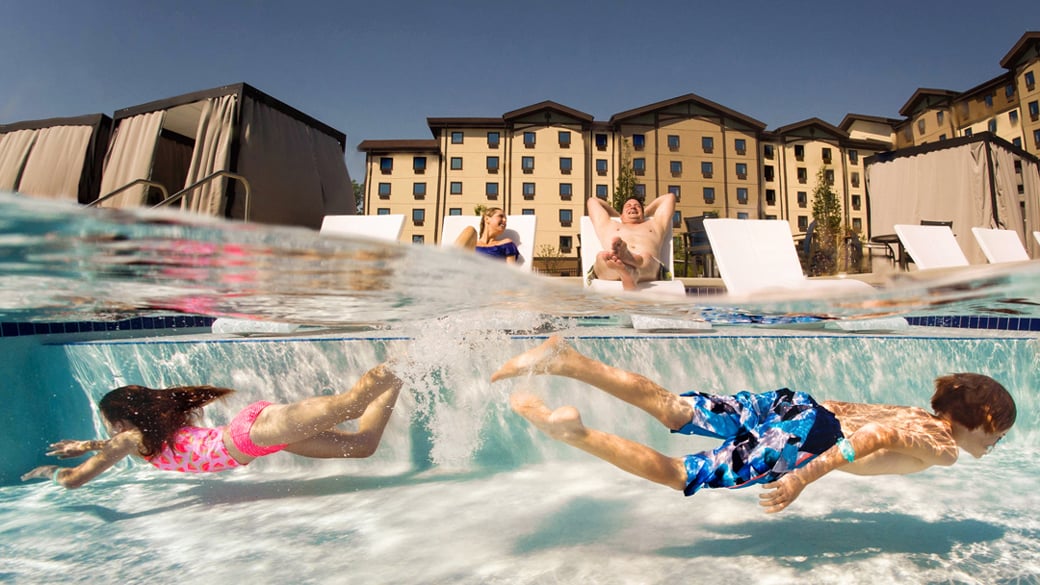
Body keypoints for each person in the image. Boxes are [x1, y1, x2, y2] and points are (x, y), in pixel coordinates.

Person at [491, 336, 1016, 513]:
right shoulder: (940, 444)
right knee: (680, 473)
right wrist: (801, 477)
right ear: (984, 419)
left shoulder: (914, 412)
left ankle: (567, 360)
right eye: (999, 433)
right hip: (809, 437)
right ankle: (574, 434)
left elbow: (855, 414)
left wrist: (794, 428)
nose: (995, 443)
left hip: (795, 405)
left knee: (674, 408)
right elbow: (870, 438)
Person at [21, 363, 403, 489]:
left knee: (351, 404)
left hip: (254, 433)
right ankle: (403, 374)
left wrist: (55, 473)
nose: (110, 431)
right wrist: (89, 444)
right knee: (364, 443)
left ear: (124, 421)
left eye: (111, 424)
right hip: (262, 442)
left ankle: (409, 354)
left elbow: (77, 479)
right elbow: (113, 445)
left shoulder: (132, 440)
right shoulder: (146, 437)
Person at [587, 193, 675, 290]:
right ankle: (629, 271)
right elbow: (593, 201)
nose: (633, 207)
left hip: (648, 268)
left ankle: (630, 261)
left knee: (646, 257)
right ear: (621, 214)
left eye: (637, 206)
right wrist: (617, 215)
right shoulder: (609, 224)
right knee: (602, 257)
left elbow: (669, 197)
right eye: (628, 206)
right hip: (612, 266)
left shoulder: (655, 224)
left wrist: (644, 213)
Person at [454, 207, 519, 264]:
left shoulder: (506, 243)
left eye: (505, 219)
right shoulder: (471, 244)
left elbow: (511, 271)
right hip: (465, 272)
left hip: (489, 276)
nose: (504, 220)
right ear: (487, 219)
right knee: (470, 230)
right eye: (501, 216)